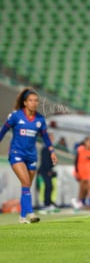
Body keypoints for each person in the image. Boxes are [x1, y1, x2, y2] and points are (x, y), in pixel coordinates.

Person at [0, 87, 58, 223]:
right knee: (25, 182)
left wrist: (52, 151)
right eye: (31, 100)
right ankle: (31, 214)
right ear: (25, 103)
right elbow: (3, 131)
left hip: (31, 156)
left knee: (26, 186)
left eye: (36, 100)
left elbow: (45, 137)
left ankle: (22, 217)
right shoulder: (15, 116)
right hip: (16, 154)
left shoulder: (40, 120)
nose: (34, 103)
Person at [72, 136, 90, 210]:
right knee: (82, 188)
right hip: (82, 171)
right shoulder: (80, 149)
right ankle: (81, 202)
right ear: (85, 142)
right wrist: (76, 171)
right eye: (88, 141)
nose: (89, 143)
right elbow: (76, 161)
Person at [38, 132, 58, 213]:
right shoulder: (45, 148)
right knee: (48, 187)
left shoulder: (50, 148)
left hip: (48, 170)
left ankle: (49, 203)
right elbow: (45, 161)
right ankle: (46, 204)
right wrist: (49, 170)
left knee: (50, 187)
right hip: (45, 170)